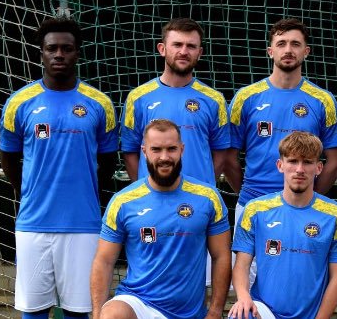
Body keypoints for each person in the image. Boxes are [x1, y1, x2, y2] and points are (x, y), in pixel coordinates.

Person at [0, 17, 117, 319]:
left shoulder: (99, 103)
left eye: (67, 48)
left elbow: (107, 162)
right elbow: (9, 158)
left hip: (84, 224)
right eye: (52, 49)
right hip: (33, 224)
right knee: (34, 311)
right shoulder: (19, 103)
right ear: (42, 53)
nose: (59, 55)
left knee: (79, 311)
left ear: (77, 53)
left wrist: (86, 194)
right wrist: (29, 191)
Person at [90, 119, 231, 319]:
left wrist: (215, 312)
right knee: (113, 314)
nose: (164, 157)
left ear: (182, 149)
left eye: (171, 149)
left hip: (190, 313)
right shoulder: (123, 201)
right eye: (156, 149)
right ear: (144, 151)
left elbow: (221, 256)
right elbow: (103, 260)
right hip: (139, 302)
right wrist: (97, 315)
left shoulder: (208, 198)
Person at [228, 132, 337, 319]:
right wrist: (243, 297)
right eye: (293, 161)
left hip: (311, 315)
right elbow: (241, 266)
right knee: (241, 314)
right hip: (264, 312)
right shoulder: (256, 209)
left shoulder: (336, 215)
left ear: (319, 167)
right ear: (280, 165)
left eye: (307, 162)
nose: (299, 169)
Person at [224, 18, 337, 209]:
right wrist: (250, 197)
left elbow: (336, 161)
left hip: (305, 208)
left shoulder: (324, 100)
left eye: (295, 44)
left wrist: (309, 199)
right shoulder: (245, 98)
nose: (288, 50)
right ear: (270, 52)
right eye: (281, 44)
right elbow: (228, 158)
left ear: (306, 52)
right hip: (252, 203)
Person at [120, 18, 229, 186]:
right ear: (162, 49)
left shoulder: (215, 100)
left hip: (198, 203)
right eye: (177, 45)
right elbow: (129, 152)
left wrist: (203, 191)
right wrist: (145, 191)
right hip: (152, 203)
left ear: (199, 53)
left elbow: (221, 153)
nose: (184, 51)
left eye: (191, 46)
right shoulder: (137, 98)